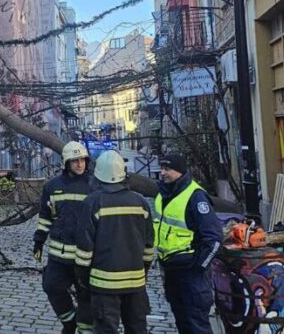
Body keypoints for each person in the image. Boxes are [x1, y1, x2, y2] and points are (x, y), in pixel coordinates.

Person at [75, 150, 154, 334]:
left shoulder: (93, 202)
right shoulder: (141, 202)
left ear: (98, 175)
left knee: (106, 329)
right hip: (135, 284)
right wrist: (142, 271)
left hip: (104, 286)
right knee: (137, 329)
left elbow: (84, 248)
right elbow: (149, 245)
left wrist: (83, 279)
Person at [155, 154, 223, 334]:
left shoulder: (195, 196)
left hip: (191, 272)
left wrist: (200, 266)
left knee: (197, 324)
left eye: (167, 169)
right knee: (182, 321)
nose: (162, 173)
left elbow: (214, 237)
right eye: (162, 168)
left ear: (180, 171)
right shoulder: (163, 194)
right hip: (171, 269)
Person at [33, 141, 94, 334]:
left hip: (86, 257)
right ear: (66, 162)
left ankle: (85, 329)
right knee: (51, 286)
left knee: (86, 297)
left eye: (83, 160)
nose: (80, 164)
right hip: (59, 256)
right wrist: (39, 240)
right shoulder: (52, 187)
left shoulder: (95, 186)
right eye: (75, 160)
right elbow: (45, 216)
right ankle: (70, 322)